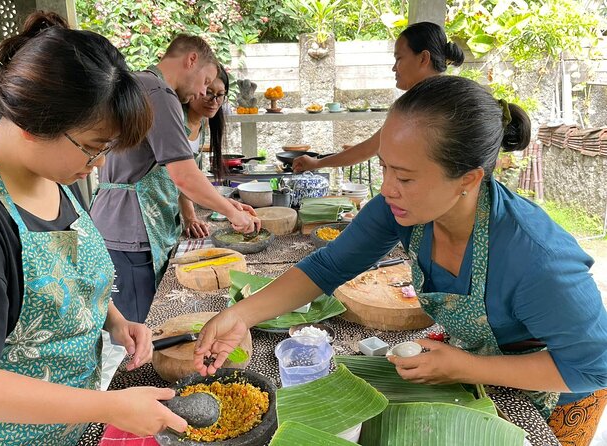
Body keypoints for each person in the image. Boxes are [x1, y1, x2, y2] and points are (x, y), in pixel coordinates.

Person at [195, 76, 607, 444]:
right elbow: (327, 268)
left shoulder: (536, 259)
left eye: (405, 177)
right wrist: (241, 316)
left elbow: (592, 367)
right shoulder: (402, 210)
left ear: (468, 179)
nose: (388, 189)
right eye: (384, 169)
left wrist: (466, 367)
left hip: (554, 390)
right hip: (474, 363)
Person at [0, 12, 186, 446]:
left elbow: (61, 282)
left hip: (65, 426)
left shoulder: (54, 180)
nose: (100, 164)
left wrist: (114, 321)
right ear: (36, 122)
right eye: (92, 147)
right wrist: (110, 407)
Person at [90, 36, 259, 324]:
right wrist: (232, 213)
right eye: (205, 81)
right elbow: (183, 175)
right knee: (142, 327)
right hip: (132, 226)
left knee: (138, 324)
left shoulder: (141, 83)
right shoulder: (158, 92)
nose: (202, 92)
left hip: (120, 224)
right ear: (191, 59)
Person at [292, 21, 464, 173]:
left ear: (423, 58)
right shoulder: (457, 95)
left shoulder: (416, 107)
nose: (394, 68)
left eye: (399, 59)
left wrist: (317, 163)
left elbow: (367, 149)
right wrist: (317, 163)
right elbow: (369, 148)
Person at [178, 64, 230, 239]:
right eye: (208, 92)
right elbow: (183, 178)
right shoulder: (177, 120)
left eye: (220, 95)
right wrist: (230, 210)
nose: (214, 101)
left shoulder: (202, 125)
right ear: (195, 88)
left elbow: (187, 178)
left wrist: (190, 218)